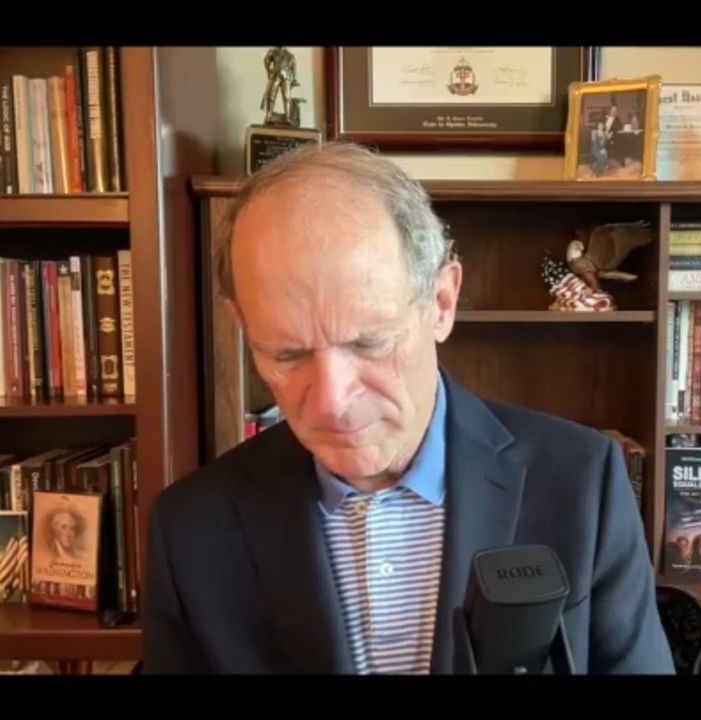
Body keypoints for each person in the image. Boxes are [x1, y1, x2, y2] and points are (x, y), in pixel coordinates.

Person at [141, 142, 673, 675]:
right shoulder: (189, 530)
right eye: (287, 354)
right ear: (242, 327)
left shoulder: (583, 482)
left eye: (369, 343)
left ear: (442, 302)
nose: (332, 402)